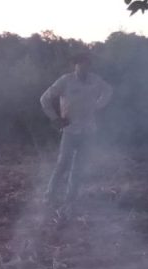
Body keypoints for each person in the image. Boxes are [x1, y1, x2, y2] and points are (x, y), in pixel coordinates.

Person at [40, 51, 113, 206]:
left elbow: (108, 91)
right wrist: (55, 118)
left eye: (86, 64)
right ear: (75, 65)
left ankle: (71, 198)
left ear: (89, 65)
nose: (83, 67)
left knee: (79, 167)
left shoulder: (95, 80)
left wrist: (98, 105)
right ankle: (49, 196)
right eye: (80, 64)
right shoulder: (65, 81)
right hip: (70, 130)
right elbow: (44, 98)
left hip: (88, 130)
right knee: (62, 164)